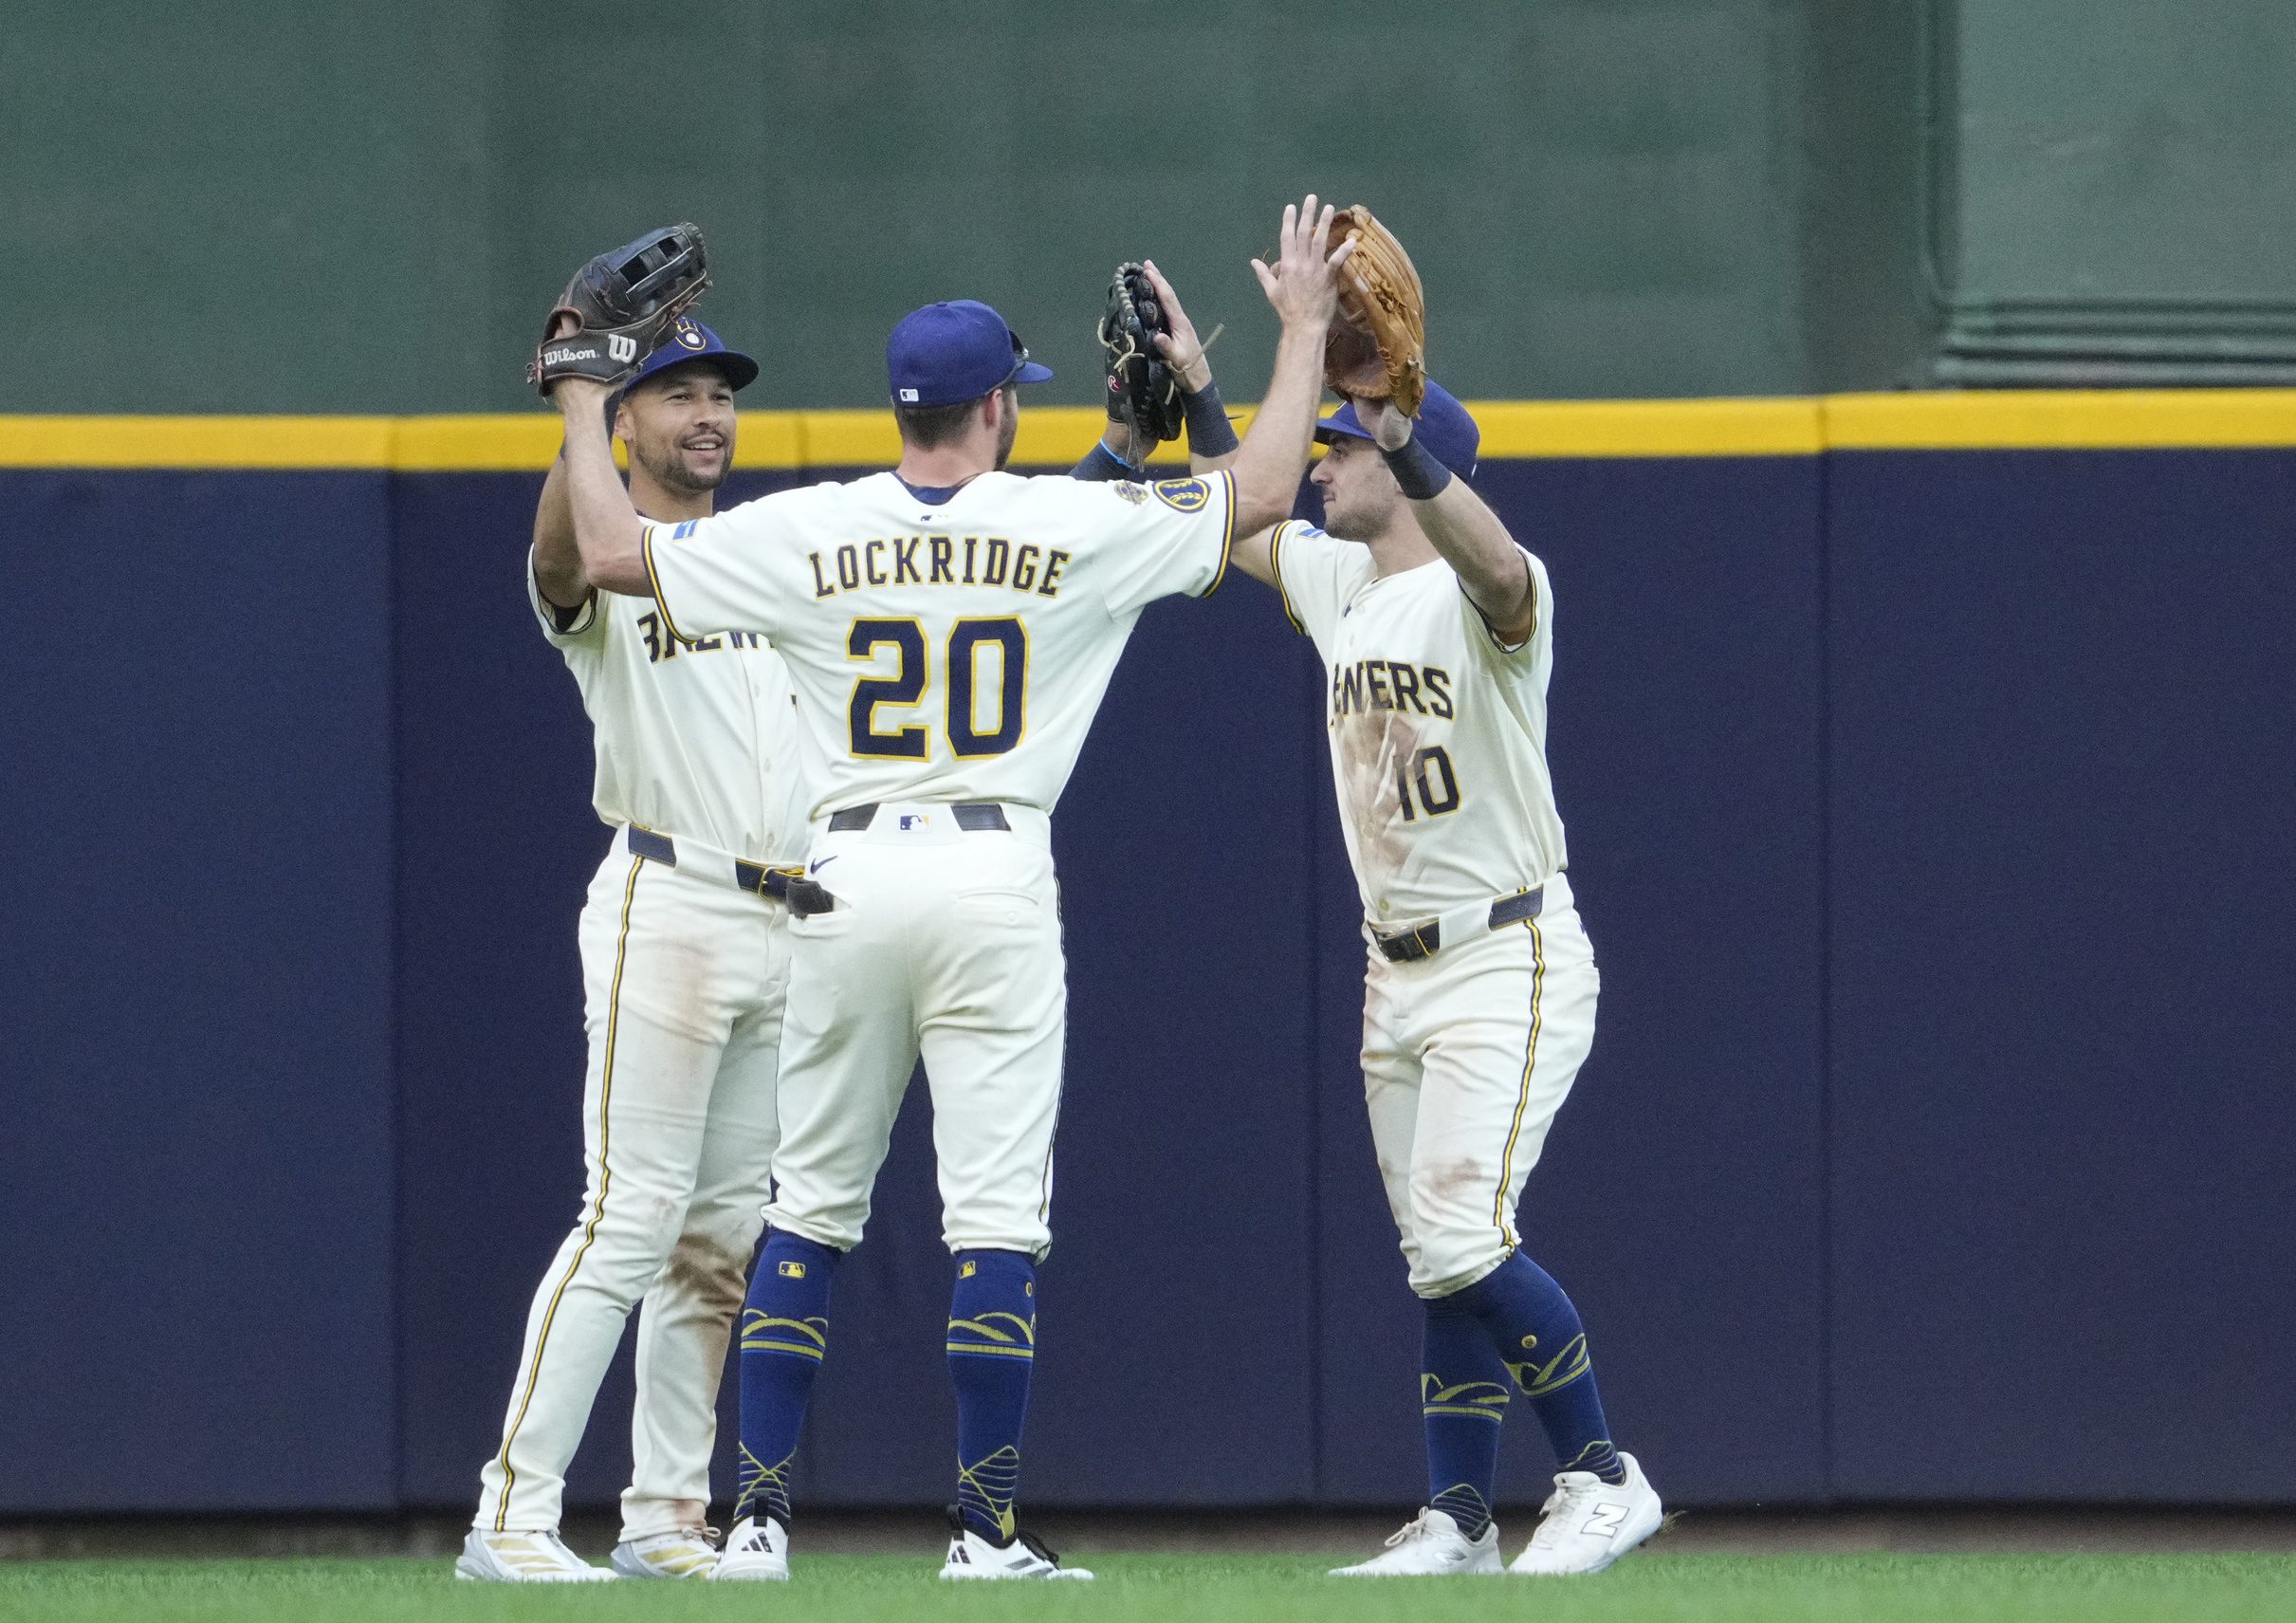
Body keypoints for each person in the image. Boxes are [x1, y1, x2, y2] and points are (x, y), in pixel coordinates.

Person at [538, 197, 1356, 1581]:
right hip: (989, 874)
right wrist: (1297, 333)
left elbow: (610, 553)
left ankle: (752, 1527)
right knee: (991, 1219)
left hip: (843, 872)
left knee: (805, 1207)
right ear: (994, 409)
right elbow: (1266, 493)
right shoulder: (1060, 524)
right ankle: (980, 1531)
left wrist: (575, 385)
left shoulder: (810, 525)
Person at [1112, 266, 1663, 1575]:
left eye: (1338, 448)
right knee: (1437, 1259)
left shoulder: (1490, 589)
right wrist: (1198, 387)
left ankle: (1601, 1474)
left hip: (1505, 951)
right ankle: (1458, 1519)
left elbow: (1496, 564)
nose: (1318, 467)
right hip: (1394, 969)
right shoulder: (1337, 579)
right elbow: (1231, 523)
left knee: (1468, 1235)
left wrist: (1404, 435)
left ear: (1404, 458)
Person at [458, 320, 808, 1583]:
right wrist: (576, 399)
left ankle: (666, 1519)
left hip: (791, 919)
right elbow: (563, 554)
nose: (707, 416)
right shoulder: (608, 560)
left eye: (720, 394)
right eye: (677, 397)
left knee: (718, 1244)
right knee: (628, 1219)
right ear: (626, 424)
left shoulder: (769, 554)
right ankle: (512, 1514)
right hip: (670, 900)